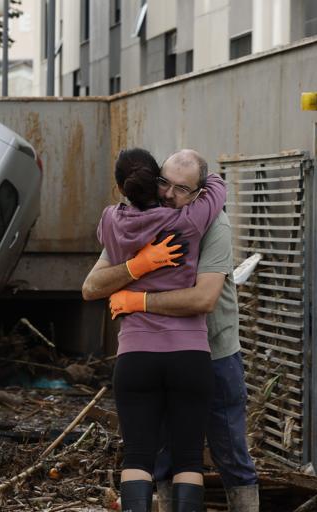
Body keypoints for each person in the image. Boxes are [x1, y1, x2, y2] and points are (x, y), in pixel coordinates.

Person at [84, 149, 258, 511]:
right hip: (184, 354)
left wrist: (138, 301)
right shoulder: (172, 218)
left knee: (229, 455)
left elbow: (204, 299)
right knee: (171, 458)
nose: (168, 194)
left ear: (198, 193)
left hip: (215, 351)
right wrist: (136, 265)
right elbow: (92, 286)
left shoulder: (210, 223)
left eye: (182, 189)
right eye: (164, 182)